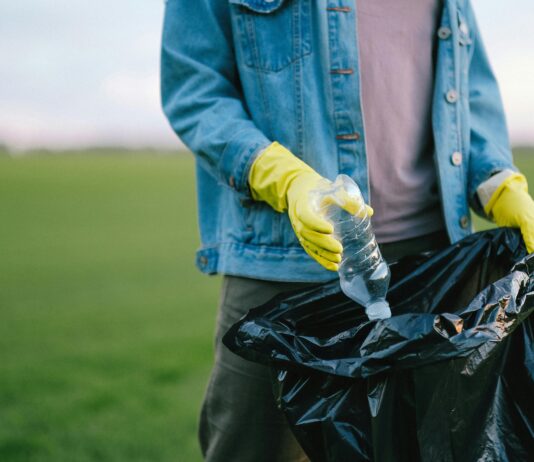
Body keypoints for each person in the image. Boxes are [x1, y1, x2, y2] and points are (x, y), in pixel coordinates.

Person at [161, 1, 534, 460]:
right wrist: (283, 178)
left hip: (434, 264)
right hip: (283, 262)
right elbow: (196, 89)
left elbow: (466, 92)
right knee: (252, 448)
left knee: (427, 448)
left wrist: (500, 184)